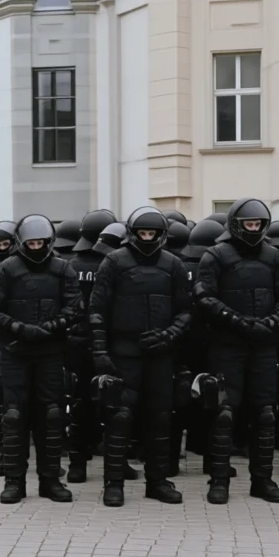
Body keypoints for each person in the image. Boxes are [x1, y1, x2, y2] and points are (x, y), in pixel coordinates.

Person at [194, 198, 279, 504]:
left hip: (264, 344)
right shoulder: (215, 255)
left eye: (258, 224)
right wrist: (236, 321)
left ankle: (262, 481)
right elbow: (204, 296)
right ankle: (219, 481)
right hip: (228, 345)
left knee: (265, 414)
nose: (253, 229)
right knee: (224, 413)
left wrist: (272, 321)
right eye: (249, 224)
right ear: (237, 225)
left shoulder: (274, 255)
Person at [88, 206, 191, 506]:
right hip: (123, 353)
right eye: (143, 233)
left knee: (160, 419)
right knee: (119, 418)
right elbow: (97, 310)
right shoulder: (113, 262)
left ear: (161, 235)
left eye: (153, 233)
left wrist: (168, 335)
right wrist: (99, 351)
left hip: (160, 353)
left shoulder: (172, 264)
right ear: (133, 234)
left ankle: (157, 482)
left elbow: (186, 310)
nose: (147, 238)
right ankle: (113, 484)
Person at [0, 214, 81, 504]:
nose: (36, 247)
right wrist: (17, 328)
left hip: (49, 351)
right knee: (13, 416)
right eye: (31, 242)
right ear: (21, 243)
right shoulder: (4, 270)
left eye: (40, 242)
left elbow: (76, 307)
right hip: (14, 351)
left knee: (51, 415)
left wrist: (52, 326)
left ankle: (50, 481)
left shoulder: (63, 269)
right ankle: (14, 482)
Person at [65, 209, 116, 483]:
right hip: (107, 344)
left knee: (79, 404)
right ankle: (114, 463)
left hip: (75, 344)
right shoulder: (114, 265)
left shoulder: (70, 264)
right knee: (112, 405)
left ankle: (77, 464)